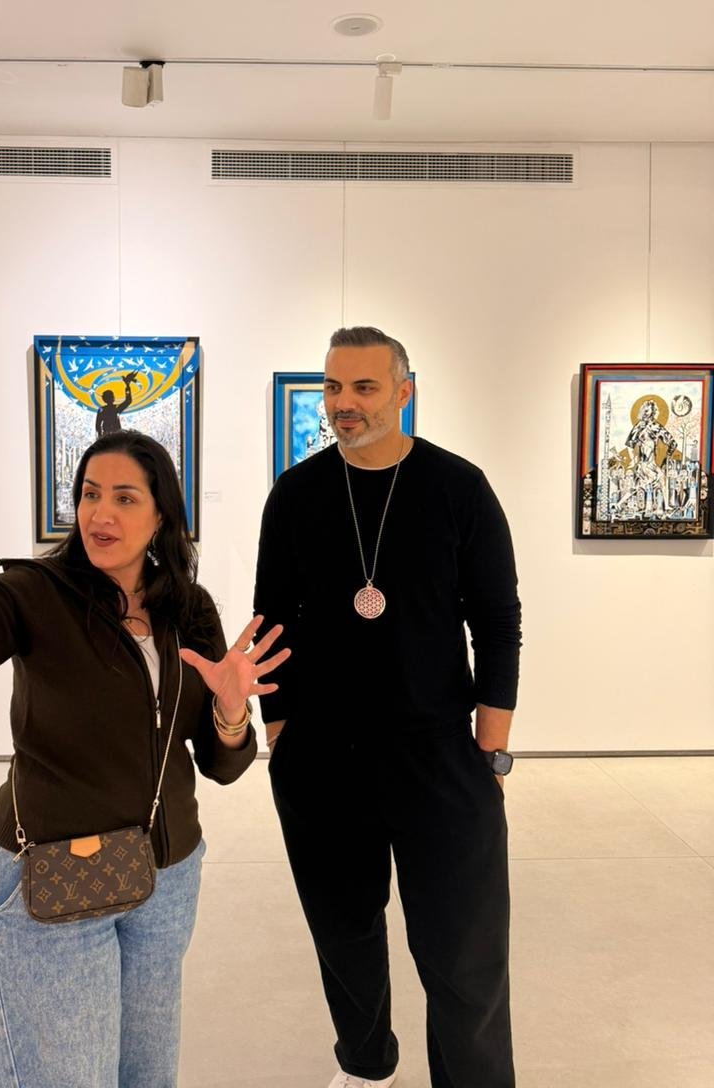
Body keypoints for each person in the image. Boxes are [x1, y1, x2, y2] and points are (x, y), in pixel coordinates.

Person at [0, 429, 289, 1088]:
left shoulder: (186, 608)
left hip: (166, 882)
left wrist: (229, 711)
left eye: (125, 498)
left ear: (161, 516)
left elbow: (223, 765)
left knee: (148, 1077)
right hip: (54, 882)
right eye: (89, 494)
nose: (100, 513)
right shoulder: (33, 593)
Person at [254, 327, 521, 1088]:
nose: (344, 403)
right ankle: (367, 1065)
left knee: (464, 949)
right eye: (333, 387)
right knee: (344, 935)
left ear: (404, 392)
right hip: (322, 757)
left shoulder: (458, 487)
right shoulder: (296, 494)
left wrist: (491, 745)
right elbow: (273, 621)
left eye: (364, 387)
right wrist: (282, 734)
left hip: (439, 752)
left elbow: (496, 619)